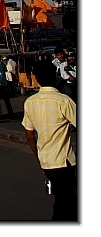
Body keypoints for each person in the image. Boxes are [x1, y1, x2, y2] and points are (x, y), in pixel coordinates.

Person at [22, 58, 77, 221]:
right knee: (65, 203)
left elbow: (30, 136)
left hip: (46, 162)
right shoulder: (63, 101)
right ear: (55, 76)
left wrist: (39, 157)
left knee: (63, 200)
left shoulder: (29, 102)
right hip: (64, 161)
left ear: (36, 78)